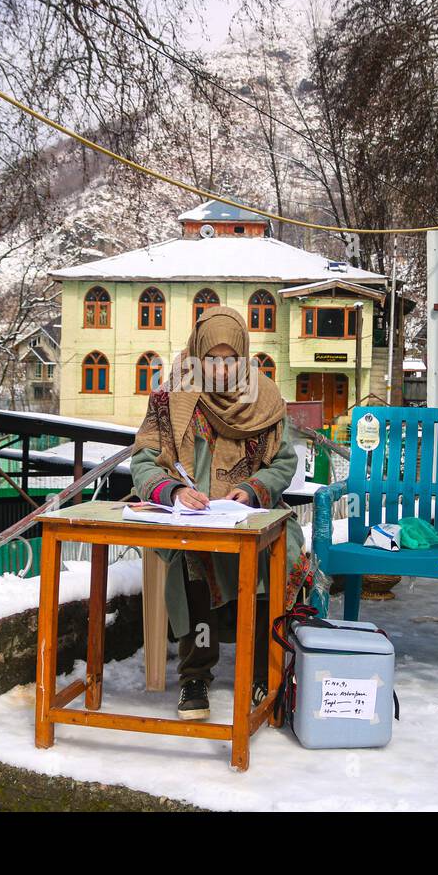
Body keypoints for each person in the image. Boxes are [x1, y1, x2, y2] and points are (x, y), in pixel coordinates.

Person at [130, 306, 313, 720]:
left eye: (232, 359)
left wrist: (251, 491)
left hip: (250, 513)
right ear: (199, 355)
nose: (222, 369)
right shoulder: (171, 396)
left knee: (275, 555)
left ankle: (263, 670)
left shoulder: (264, 399)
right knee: (191, 555)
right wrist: (173, 491)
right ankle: (195, 676)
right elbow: (143, 461)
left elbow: (283, 464)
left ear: (243, 357)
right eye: (213, 358)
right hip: (192, 518)